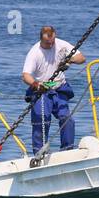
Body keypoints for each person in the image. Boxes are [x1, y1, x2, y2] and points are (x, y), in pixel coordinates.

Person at [22, 25, 85, 154]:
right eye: (47, 43)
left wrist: (69, 60)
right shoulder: (35, 52)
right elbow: (25, 76)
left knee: (67, 119)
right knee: (41, 120)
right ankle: (39, 152)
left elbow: (81, 58)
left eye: (52, 42)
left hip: (59, 88)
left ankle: (67, 150)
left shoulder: (61, 44)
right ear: (41, 39)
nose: (51, 45)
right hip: (42, 90)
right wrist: (36, 84)